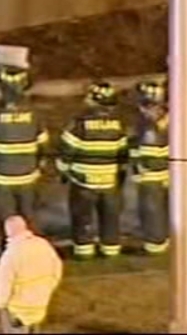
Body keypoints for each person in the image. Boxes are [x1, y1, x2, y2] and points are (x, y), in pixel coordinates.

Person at [59, 82, 129, 259]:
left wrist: (64, 172)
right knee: (111, 217)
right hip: (109, 181)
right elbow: (123, 154)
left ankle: (84, 251)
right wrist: (119, 175)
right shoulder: (118, 124)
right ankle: (111, 249)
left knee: (82, 217)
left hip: (83, 182)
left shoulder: (79, 124)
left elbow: (66, 152)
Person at [0, 67, 47, 237]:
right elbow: (43, 142)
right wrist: (38, 165)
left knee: (6, 218)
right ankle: (31, 248)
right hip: (27, 175)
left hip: (1, 177)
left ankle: (9, 252)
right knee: (28, 215)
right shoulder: (33, 112)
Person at [0, 216, 62, 335]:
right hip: (40, 303)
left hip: (17, 309)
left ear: (8, 232)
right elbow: (57, 269)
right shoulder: (43, 244)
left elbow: (4, 284)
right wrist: (48, 288)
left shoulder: (11, 255)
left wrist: (1, 303)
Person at [130, 78, 171, 254]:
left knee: (151, 210)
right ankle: (165, 238)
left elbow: (148, 150)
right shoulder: (169, 116)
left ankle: (154, 246)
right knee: (164, 207)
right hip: (166, 172)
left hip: (151, 174)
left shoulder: (148, 124)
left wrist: (139, 167)